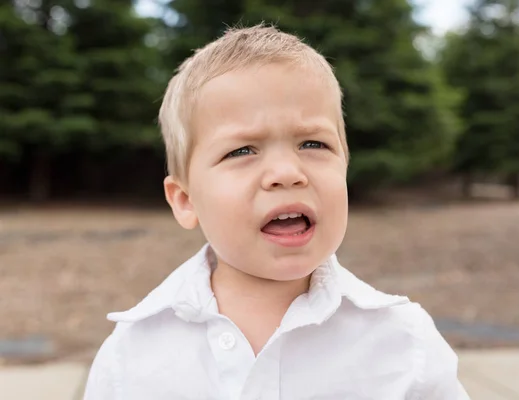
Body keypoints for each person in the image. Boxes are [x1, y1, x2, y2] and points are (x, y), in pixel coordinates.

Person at [83, 24, 470, 400]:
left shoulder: (404, 344)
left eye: (313, 144)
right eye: (242, 151)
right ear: (185, 200)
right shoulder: (132, 356)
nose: (287, 173)